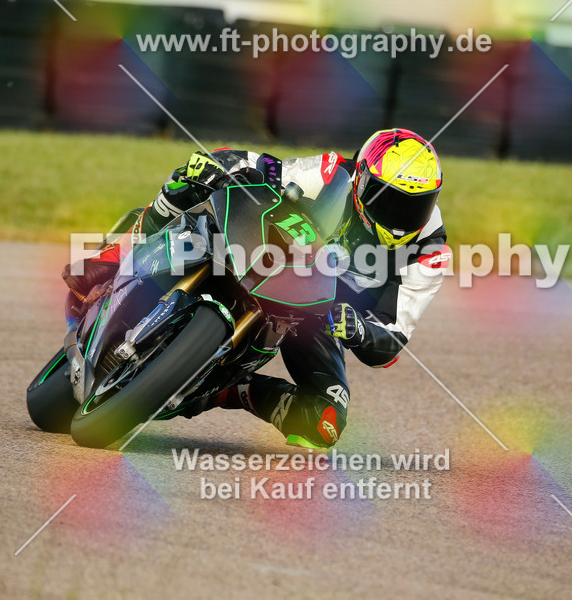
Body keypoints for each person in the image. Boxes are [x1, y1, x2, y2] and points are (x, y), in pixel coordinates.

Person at [63, 128, 450, 448]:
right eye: (390, 201)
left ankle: (228, 389)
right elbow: (269, 169)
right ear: (362, 179)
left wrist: (360, 328)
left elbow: (394, 338)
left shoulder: (431, 252)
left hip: (322, 314)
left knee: (325, 421)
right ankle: (117, 249)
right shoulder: (333, 174)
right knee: (198, 174)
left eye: (415, 206)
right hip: (272, 252)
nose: (400, 220)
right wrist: (227, 166)